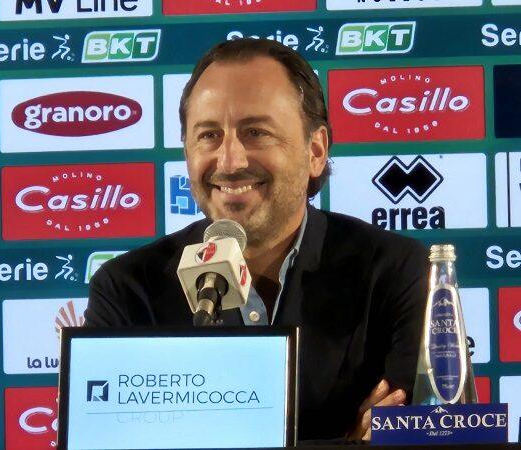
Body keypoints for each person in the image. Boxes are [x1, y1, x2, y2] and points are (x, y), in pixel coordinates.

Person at [85, 38, 429, 442]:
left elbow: (419, 436)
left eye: (255, 132)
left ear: (315, 150)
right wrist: (344, 443)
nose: (230, 161)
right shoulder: (126, 290)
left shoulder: (396, 271)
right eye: (209, 135)